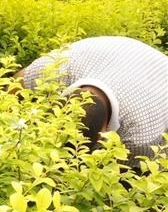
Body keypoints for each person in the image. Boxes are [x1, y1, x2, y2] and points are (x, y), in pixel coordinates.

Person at [14, 35, 168, 161]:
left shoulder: (141, 137)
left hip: (158, 79)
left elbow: (127, 180)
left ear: (105, 134)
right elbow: (15, 84)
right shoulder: (55, 70)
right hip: (112, 51)